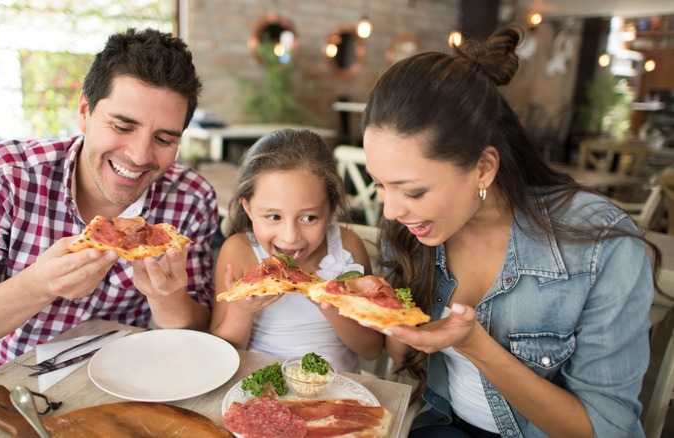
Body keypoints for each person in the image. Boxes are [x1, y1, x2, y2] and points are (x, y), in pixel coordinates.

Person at [360, 26, 659, 437]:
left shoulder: (598, 245)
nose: (391, 211)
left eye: (413, 190)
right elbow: (401, 356)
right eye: (378, 183)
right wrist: (386, 309)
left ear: (484, 166)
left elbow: (608, 429)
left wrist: (475, 347)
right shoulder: (414, 229)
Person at [0, 28, 218, 392]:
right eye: (122, 126)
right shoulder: (3, 173)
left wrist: (166, 297)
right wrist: (40, 284)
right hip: (5, 365)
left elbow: (198, 334)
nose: (140, 156)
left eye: (164, 139)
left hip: (131, 370)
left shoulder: (191, 198)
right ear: (84, 111)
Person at [209, 129, 383, 372]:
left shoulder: (348, 248)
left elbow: (372, 350)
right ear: (248, 208)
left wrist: (333, 307)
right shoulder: (238, 252)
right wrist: (240, 310)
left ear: (331, 208)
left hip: (337, 393)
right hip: (260, 389)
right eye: (273, 216)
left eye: (309, 217)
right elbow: (220, 352)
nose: (290, 237)